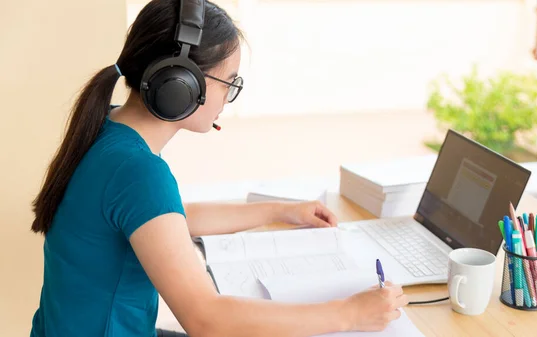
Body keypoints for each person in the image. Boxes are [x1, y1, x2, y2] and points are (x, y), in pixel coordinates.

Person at [29, 0, 409, 336]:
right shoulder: (137, 171)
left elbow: (170, 220)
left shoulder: (109, 129)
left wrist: (279, 211)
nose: (229, 95)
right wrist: (347, 313)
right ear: (179, 83)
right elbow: (207, 320)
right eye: (227, 82)